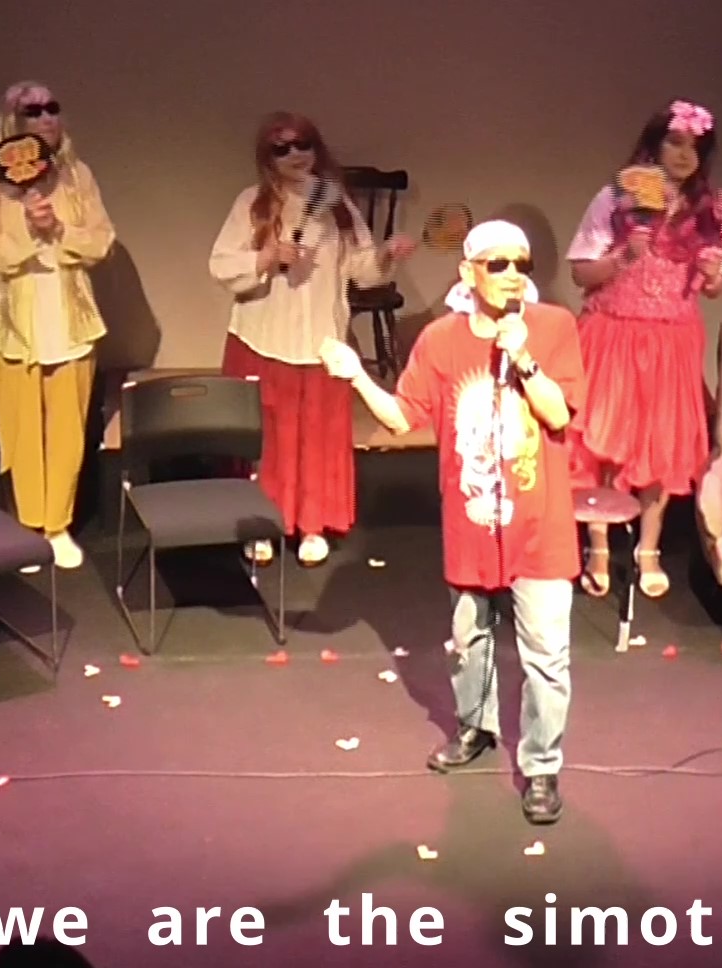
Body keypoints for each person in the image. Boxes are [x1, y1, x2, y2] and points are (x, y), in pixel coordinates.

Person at [318, 220, 587, 825]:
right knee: (470, 643)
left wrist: (524, 358)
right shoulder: (440, 341)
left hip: (540, 528)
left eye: (521, 263)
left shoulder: (553, 328)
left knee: (547, 656)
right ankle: (477, 727)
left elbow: (558, 416)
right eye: (498, 263)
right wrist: (356, 375)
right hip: (471, 524)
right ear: (468, 272)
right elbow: (399, 418)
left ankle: (542, 766)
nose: (513, 274)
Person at [209, 112, 414, 567]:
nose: (295, 155)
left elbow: (363, 271)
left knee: (316, 438)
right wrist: (266, 257)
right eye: (281, 148)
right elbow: (221, 266)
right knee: (270, 440)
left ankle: (313, 524)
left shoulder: (336, 204)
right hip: (264, 338)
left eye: (302, 144)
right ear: (267, 158)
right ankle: (260, 523)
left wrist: (386, 253)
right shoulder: (252, 203)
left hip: (320, 341)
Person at [564, 99, 722, 600]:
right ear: (655, 145)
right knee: (604, 439)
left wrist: (712, 275)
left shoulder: (709, 212)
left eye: (694, 147)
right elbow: (581, 273)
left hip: (672, 340)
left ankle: (649, 550)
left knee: (662, 444)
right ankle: (598, 547)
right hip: (613, 333)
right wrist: (622, 257)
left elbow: (716, 286)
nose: (683, 155)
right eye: (674, 142)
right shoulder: (616, 197)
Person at [0, 80, 114, 568]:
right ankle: (29, 524)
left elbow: (101, 242)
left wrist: (59, 229)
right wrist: (30, 233)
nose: (47, 118)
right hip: (16, 329)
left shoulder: (78, 176)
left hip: (72, 324)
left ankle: (57, 525)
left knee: (68, 431)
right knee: (23, 431)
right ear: (12, 122)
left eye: (52, 108)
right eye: (33, 111)